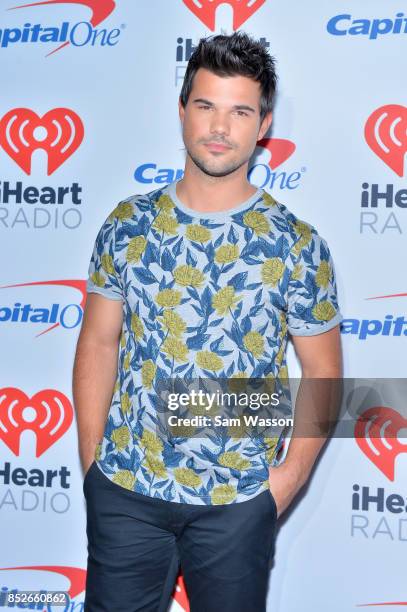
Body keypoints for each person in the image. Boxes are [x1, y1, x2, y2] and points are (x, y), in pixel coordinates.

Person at [73, 30, 343, 612]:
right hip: (125, 491)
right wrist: (94, 465)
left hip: (239, 503)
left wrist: (281, 486)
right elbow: (98, 341)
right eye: (206, 106)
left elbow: (324, 372)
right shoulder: (128, 225)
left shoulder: (296, 245)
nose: (220, 127)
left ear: (263, 124)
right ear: (182, 111)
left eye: (240, 111)